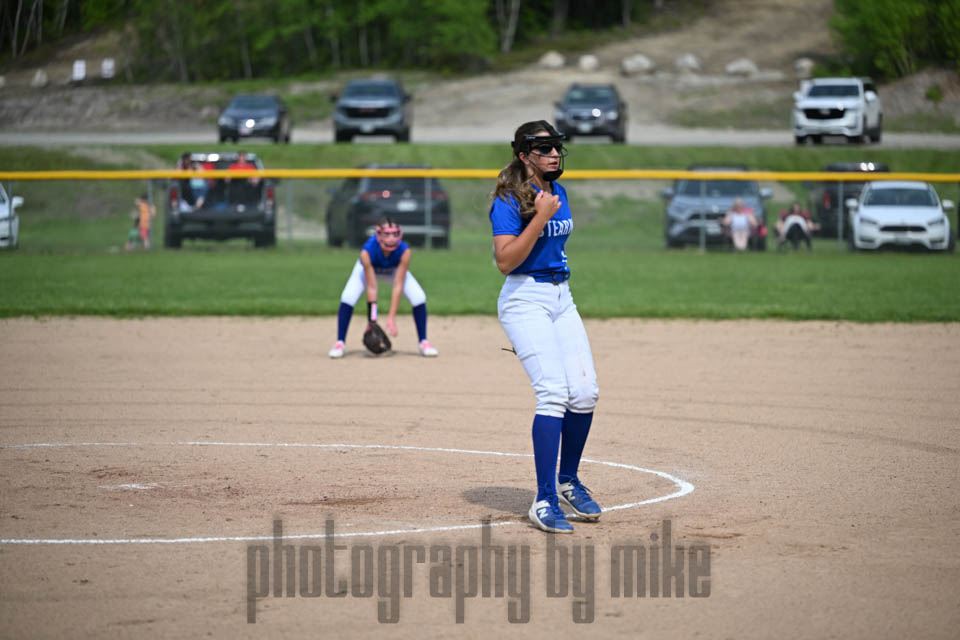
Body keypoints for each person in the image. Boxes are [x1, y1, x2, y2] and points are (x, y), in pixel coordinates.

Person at [490, 120, 600, 534]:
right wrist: (538, 218)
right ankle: (544, 500)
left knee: (585, 392)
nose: (554, 154)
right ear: (524, 155)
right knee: (553, 392)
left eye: (556, 147)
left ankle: (568, 481)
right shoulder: (508, 199)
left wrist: (546, 212)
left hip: (561, 297)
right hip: (524, 299)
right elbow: (505, 261)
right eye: (545, 149)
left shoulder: (558, 192)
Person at [328, 217, 438, 359]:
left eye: (395, 234)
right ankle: (340, 343)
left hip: (392, 271)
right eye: (387, 234)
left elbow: (398, 285)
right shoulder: (367, 252)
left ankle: (423, 342)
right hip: (368, 270)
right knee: (348, 297)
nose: (391, 239)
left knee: (419, 297)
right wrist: (372, 321)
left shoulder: (404, 251)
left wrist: (391, 317)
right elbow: (372, 288)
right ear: (378, 234)